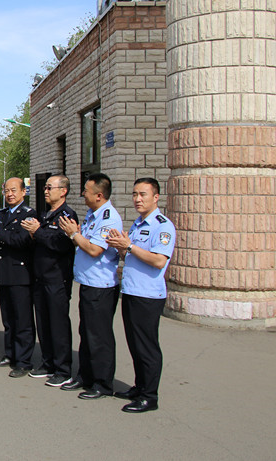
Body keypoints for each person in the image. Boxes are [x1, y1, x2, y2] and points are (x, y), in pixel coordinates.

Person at [106, 178, 175, 413]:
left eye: (143, 194)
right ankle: (139, 386)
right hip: (131, 292)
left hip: (148, 296)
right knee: (135, 344)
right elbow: (133, 256)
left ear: (156, 197)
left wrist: (130, 247)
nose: (137, 199)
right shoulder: (137, 223)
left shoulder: (162, 226)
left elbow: (158, 261)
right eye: (135, 194)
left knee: (147, 346)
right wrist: (121, 247)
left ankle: (149, 396)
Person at [58, 173, 123, 399]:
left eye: (86, 190)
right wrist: (75, 233)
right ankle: (85, 376)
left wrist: (73, 233)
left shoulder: (108, 218)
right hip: (88, 283)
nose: (82, 193)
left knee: (99, 336)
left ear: (99, 195)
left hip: (101, 286)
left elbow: (95, 249)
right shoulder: (92, 214)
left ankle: (102, 383)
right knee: (86, 332)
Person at [20, 174, 78, 387]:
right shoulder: (46, 215)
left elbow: (61, 244)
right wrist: (36, 232)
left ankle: (63, 369)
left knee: (58, 324)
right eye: (45, 187)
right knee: (43, 322)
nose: (45, 191)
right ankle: (48, 363)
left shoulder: (67, 216)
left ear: (63, 191)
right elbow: (42, 239)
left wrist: (38, 232)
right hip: (41, 277)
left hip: (57, 278)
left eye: (49, 187)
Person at [0, 178, 37, 378]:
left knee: (23, 320)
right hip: (4, 272)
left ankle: (23, 361)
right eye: (7, 191)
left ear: (23, 192)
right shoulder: (3, 214)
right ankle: (10, 354)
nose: (10, 194)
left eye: (14, 190)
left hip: (21, 274)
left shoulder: (28, 215)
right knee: (9, 319)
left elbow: (21, 241)